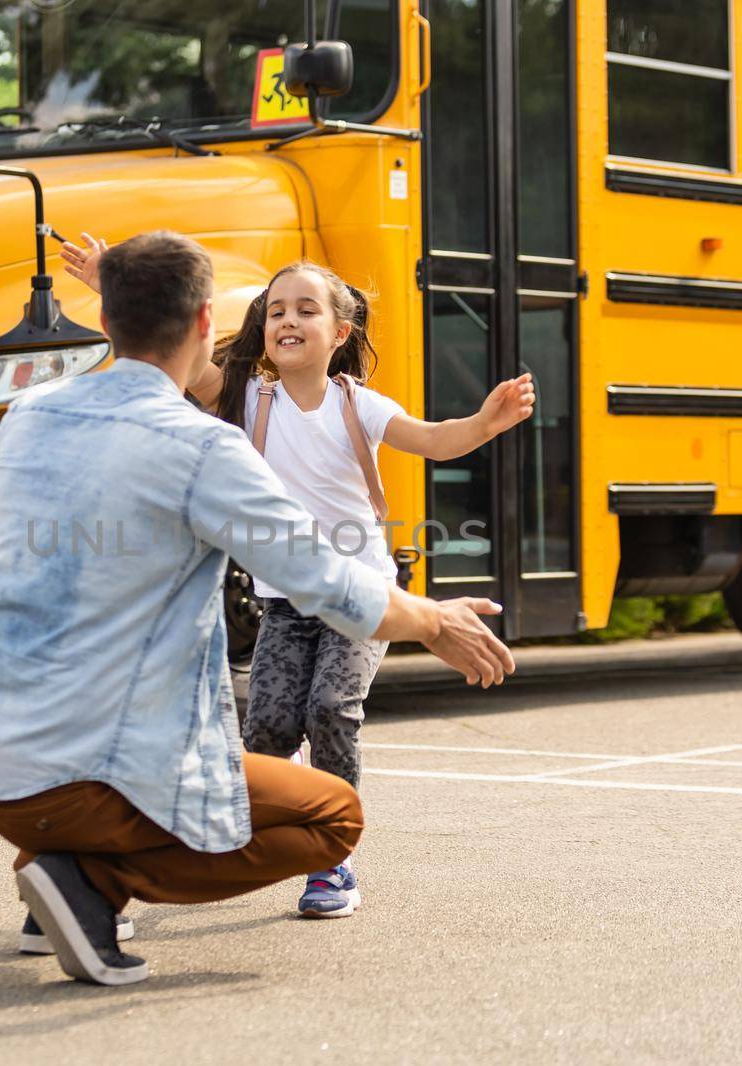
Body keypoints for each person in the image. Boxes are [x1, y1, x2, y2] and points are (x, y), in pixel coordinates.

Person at [0, 231, 515, 987]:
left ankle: (53, 878)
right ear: (210, 325)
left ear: (106, 321)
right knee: (330, 817)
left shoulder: (29, 416)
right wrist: (433, 619)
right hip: (98, 758)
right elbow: (323, 578)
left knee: (305, 714)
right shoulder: (206, 446)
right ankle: (84, 885)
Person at [60, 237, 535, 918]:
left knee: (331, 712)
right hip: (284, 604)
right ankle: (252, 838)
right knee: (271, 730)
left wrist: (484, 425)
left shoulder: (359, 405)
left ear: (340, 333)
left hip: (363, 601)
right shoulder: (250, 398)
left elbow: (435, 439)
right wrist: (116, 289)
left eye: (305, 310)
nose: (287, 320)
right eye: (275, 308)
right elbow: (182, 361)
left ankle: (332, 860)